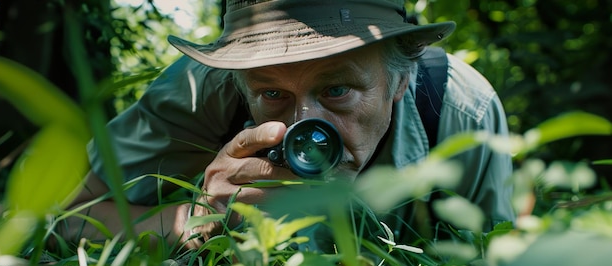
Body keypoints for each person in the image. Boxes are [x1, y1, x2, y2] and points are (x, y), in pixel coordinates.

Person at [63, 0, 514, 251]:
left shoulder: (463, 113)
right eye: (273, 95)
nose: (306, 129)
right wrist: (198, 219)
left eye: (338, 91)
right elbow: (65, 216)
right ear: (239, 86)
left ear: (399, 81)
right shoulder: (201, 92)